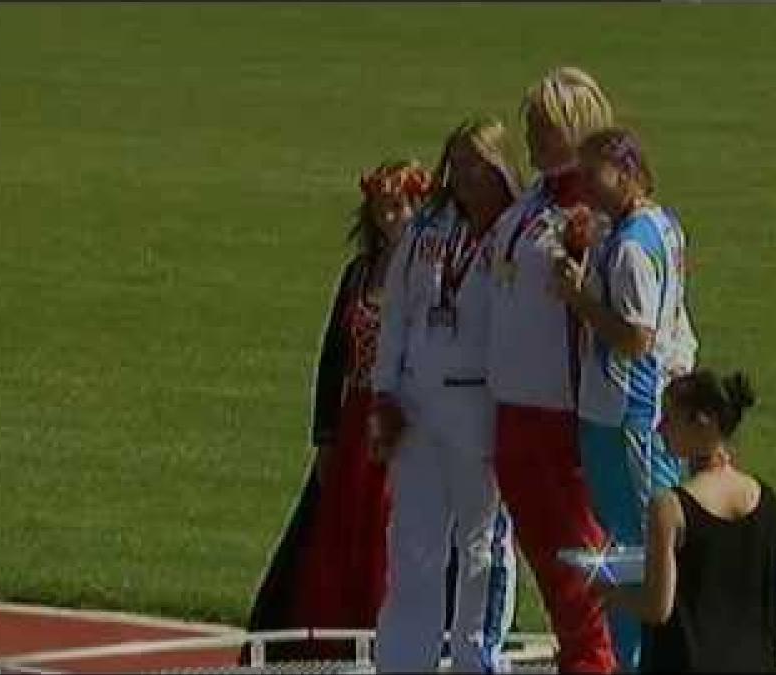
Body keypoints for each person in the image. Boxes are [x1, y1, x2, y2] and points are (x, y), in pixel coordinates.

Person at [242, 161, 435, 663]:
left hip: (403, 419)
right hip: (356, 421)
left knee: (390, 533)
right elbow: (334, 357)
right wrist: (325, 434)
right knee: (336, 535)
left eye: (406, 207)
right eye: (387, 208)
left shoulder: (430, 275)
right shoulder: (359, 273)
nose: (397, 218)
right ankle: (327, 642)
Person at [371, 117, 523, 673]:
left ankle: (476, 659)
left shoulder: (520, 229)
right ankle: (403, 660)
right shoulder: (427, 228)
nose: (462, 175)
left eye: (475, 163)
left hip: (483, 408)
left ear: (500, 166)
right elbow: (397, 315)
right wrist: (382, 392)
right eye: (455, 162)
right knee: (412, 544)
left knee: (482, 546)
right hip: (417, 406)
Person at [484, 65, 620, 674]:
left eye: (545, 123)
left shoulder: (593, 213)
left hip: (562, 414)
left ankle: (595, 664)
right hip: (511, 405)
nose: (532, 133)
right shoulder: (531, 202)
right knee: (546, 563)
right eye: (530, 121)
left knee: (578, 570)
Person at [553, 126, 697, 671]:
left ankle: (638, 657)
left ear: (629, 172)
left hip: (629, 412)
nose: (584, 187)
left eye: (594, 175)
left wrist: (578, 299)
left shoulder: (634, 246)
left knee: (636, 549)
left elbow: (636, 337)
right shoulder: (659, 225)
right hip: (631, 408)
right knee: (633, 544)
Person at [587, 369, 776, 673]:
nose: (660, 429)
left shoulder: (669, 508)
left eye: (670, 420)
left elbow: (657, 606)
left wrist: (609, 593)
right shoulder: (767, 501)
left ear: (702, 423)